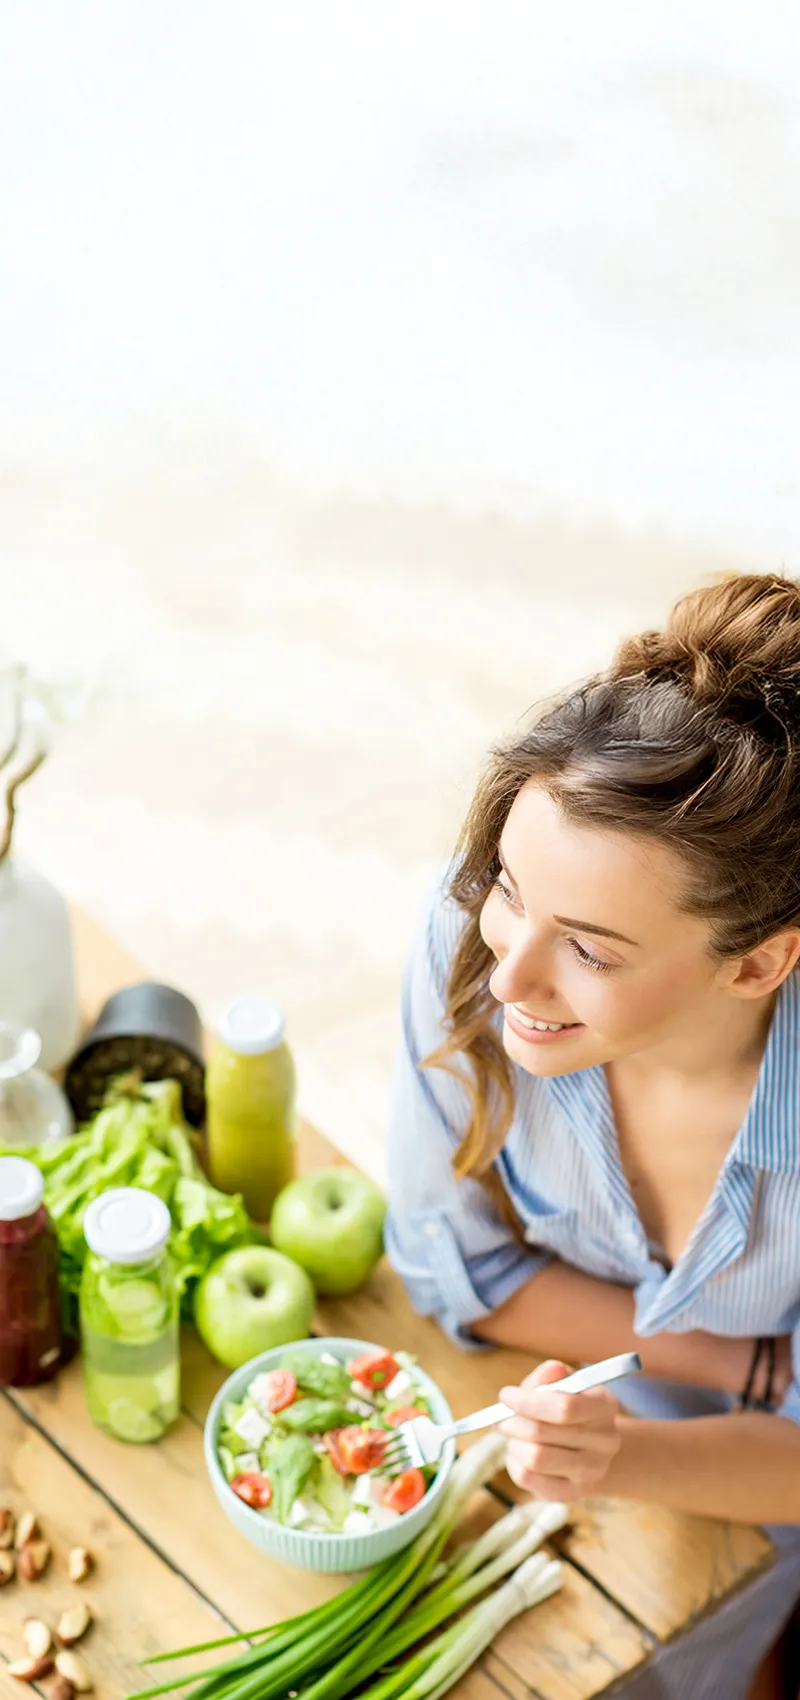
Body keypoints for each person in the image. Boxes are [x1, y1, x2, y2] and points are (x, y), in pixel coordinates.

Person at [385, 572, 800, 1700]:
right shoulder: (473, 937)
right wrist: (720, 1357)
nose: (505, 969)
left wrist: (621, 1449)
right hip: (566, 1401)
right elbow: (443, 1258)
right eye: (511, 885)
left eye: (591, 949)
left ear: (758, 961)